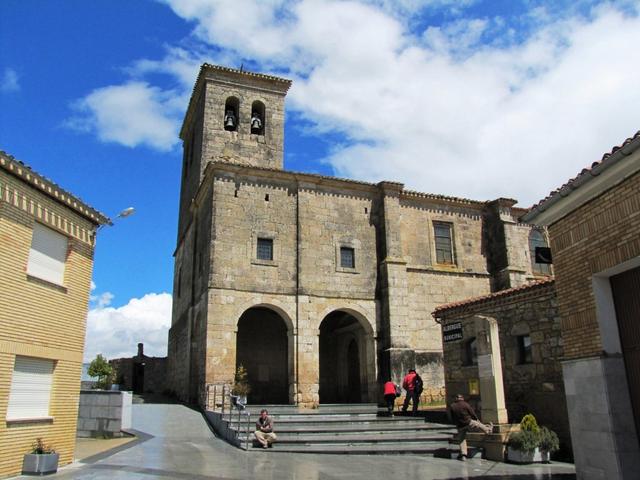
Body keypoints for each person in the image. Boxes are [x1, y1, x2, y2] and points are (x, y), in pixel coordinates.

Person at [449, 394, 493, 461]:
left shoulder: (452, 406)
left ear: (456, 398)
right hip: (468, 422)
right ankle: (488, 430)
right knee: (478, 425)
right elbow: (472, 413)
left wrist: (456, 423)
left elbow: (452, 417)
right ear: (462, 398)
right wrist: (476, 419)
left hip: (460, 425)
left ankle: (463, 455)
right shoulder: (465, 404)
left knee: (462, 440)